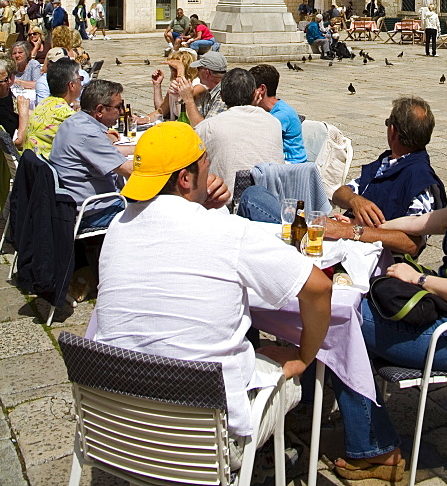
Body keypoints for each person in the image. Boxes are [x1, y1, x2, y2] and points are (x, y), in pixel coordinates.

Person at [93, 121, 331, 469]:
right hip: (202, 441)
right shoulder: (228, 232)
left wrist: (204, 204)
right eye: (205, 161)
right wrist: (304, 356)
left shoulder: (117, 228)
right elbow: (318, 287)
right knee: (286, 373)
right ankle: (263, 461)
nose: (211, 167)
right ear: (186, 178)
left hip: (119, 430)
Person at [331, 121, 447, 480]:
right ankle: (355, 426)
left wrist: (417, 277)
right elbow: (421, 222)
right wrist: (360, 227)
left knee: (338, 321)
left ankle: (377, 449)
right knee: (345, 309)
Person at [329, 96, 446, 230]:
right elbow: (339, 194)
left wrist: (355, 231)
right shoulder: (386, 163)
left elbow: (413, 242)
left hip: (372, 246)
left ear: (392, 131)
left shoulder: (420, 180)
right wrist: (354, 200)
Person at [50, 79, 132, 232]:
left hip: (74, 203)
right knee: (151, 208)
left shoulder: (76, 121)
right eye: (118, 107)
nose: (121, 112)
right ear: (100, 110)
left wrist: (139, 148)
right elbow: (128, 170)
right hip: (93, 211)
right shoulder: (88, 134)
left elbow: (109, 152)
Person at [194, 68, 283, 189]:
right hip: (270, 196)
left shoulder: (207, 127)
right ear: (255, 94)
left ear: (222, 96)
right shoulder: (274, 123)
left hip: (225, 201)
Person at [23, 58, 81, 158]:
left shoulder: (43, 104)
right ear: (71, 85)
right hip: (49, 169)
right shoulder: (66, 115)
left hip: (31, 167)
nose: (82, 84)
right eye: (81, 80)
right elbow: (93, 141)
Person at [249, 64, 307, 163]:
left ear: (262, 89)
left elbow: (254, 136)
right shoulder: (271, 110)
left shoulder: (281, 115)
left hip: (291, 165)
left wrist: (251, 108)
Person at [167, 51, 228, 125]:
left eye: (198, 69)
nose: (197, 72)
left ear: (207, 73)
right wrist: (177, 98)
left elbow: (204, 128)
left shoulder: (223, 95)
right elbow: (190, 119)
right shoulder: (209, 92)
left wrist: (188, 99)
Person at [0, 57, 29, 149]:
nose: (9, 82)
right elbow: (17, 142)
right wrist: (24, 115)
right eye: (5, 80)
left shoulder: (6, 94)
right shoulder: (1, 111)